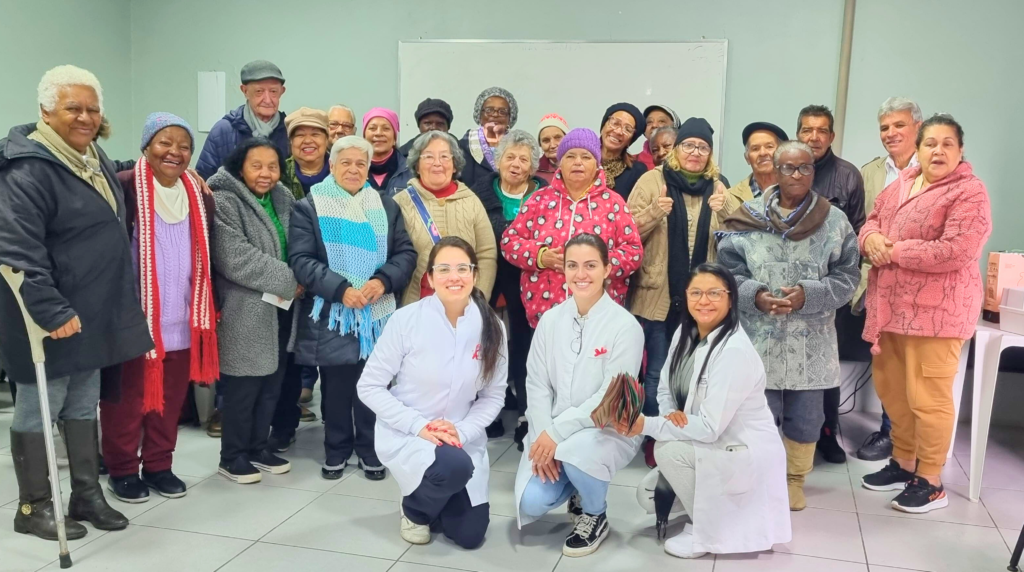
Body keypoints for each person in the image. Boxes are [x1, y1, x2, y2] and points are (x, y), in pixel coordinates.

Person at [0, 64, 150, 540]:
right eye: (72, 108)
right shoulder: (26, 168)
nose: (84, 117)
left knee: (84, 400)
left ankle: (85, 494)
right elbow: (16, 249)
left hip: (93, 307)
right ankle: (33, 507)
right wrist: (51, 310)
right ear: (46, 111)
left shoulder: (88, 155)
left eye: (91, 108)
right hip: (49, 313)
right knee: (40, 405)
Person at [859, 114, 991, 514]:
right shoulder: (902, 182)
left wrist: (893, 250)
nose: (938, 150)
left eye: (948, 143)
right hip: (890, 309)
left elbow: (957, 250)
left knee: (928, 399)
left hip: (937, 315)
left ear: (960, 150)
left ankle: (931, 480)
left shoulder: (970, 192)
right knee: (893, 393)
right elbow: (871, 222)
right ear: (918, 148)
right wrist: (872, 240)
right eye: (930, 143)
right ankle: (904, 463)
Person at [717, 140, 859, 511]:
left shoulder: (834, 221)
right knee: (755, 413)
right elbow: (729, 272)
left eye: (805, 168)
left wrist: (807, 295)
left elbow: (848, 277)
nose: (797, 175)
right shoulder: (748, 217)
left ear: (813, 171)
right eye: (788, 168)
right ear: (775, 171)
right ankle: (757, 478)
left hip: (811, 339)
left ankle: (794, 481)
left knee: (807, 416)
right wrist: (756, 295)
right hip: (757, 336)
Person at [618, 263, 791, 559]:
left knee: (667, 451)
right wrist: (671, 414)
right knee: (647, 497)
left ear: (730, 299)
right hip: (711, 441)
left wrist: (645, 425)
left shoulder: (733, 351)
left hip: (739, 449)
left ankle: (711, 530)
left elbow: (711, 428)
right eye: (696, 292)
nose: (704, 301)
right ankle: (707, 506)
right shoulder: (687, 332)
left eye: (714, 293)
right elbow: (664, 385)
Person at [358, 237, 508, 548]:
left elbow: (493, 396)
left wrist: (463, 430)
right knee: (454, 466)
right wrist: (419, 427)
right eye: (444, 269)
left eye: (462, 268)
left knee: (470, 536)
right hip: (410, 431)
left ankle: (438, 495)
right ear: (429, 278)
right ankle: (415, 511)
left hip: (459, 434)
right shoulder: (406, 320)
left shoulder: (492, 325)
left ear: (475, 275)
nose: (454, 277)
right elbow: (369, 386)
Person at [100, 113, 218, 503]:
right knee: (126, 401)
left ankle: (159, 465)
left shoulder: (200, 196)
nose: (175, 152)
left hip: (183, 320)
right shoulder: (123, 188)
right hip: (135, 322)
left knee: (167, 402)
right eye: (165, 143)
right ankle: (120, 469)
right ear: (146, 145)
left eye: (184, 146)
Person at [290, 135, 416, 480]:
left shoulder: (386, 206)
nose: (353, 169)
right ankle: (337, 450)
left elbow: (406, 253)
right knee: (336, 387)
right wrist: (341, 289)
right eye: (345, 162)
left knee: (374, 385)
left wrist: (382, 281)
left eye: (361, 163)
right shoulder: (309, 206)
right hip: (334, 313)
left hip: (377, 313)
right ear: (331, 167)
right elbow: (300, 259)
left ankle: (371, 450)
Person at [514, 233, 645, 558]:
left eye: (590, 265)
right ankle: (577, 483)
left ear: (607, 268)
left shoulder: (625, 326)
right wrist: (543, 434)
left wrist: (557, 434)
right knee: (532, 501)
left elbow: (611, 398)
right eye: (572, 265)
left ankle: (595, 513)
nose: (581, 274)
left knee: (578, 452)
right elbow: (537, 384)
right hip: (555, 430)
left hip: (608, 428)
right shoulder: (551, 319)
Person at [627, 117, 738, 466]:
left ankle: (689, 431)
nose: (695, 152)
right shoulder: (652, 179)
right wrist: (652, 213)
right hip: (660, 293)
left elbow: (737, 244)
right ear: (676, 149)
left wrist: (726, 214)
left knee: (696, 371)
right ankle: (656, 433)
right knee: (659, 370)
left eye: (702, 147)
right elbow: (626, 233)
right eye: (688, 145)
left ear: (709, 154)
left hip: (702, 300)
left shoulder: (719, 186)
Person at [208, 137, 300, 484]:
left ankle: (259, 447)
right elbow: (236, 258)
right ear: (240, 167)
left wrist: (300, 277)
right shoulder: (225, 201)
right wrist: (293, 280)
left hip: (281, 307)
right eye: (256, 165)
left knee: (271, 383)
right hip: (245, 307)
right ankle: (232, 456)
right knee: (243, 385)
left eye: (273, 166)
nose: (266, 173)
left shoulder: (284, 198)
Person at [501, 128, 643, 328]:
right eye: (570, 156)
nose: (578, 162)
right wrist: (541, 256)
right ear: (560, 162)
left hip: (600, 319)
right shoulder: (539, 200)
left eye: (586, 156)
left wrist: (596, 266)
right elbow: (509, 242)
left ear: (596, 164)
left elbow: (633, 251)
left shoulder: (613, 203)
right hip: (546, 316)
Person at [850, 97, 924, 461]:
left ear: (918, 128)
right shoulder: (871, 172)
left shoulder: (935, 168)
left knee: (914, 366)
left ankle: (910, 441)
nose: (891, 133)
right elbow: (863, 222)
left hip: (918, 285)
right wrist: (872, 243)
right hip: (876, 281)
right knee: (886, 362)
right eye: (884, 127)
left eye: (899, 125)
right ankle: (890, 433)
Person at [795, 104, 866, 465]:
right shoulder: (787, 170)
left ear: (831, 136)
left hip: (828, 291)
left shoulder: (848, 176)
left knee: (826, 363)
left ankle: (827, 431)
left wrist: (842, 289)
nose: (814, 137)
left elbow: (856, 235)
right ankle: (790, 431)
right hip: (789, 287)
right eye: (807, 130)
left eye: (821, 130)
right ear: (798, 133)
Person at [469, 129, 546, 446]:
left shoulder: (543, 196)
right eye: (509, 157)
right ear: (498, 161)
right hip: (487, 276)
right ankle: (487, 410)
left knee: (526, 345)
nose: (515, 164)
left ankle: (528, 414)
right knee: (484, 340)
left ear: (532, 167)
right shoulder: (478, 193)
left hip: (527, 280)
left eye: (523, 159)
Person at [396, 131, 497, 307]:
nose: (437, 163)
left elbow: (486, 254)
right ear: (417, 165)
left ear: (455, 165)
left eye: (444, 157)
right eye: (428, 157)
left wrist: (477, 301)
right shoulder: (400, 203)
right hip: (415, 307)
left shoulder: (472, 201)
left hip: (464, 306)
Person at [196, 60, 289, 179]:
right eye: (259, 92)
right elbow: (203, 182)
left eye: (273, 92)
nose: (267, 99)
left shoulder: (290, 131)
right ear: (245, 91)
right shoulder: (223, 130)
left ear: (282, 92)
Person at [459, 87, 517, 188]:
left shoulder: (518, 146)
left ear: (510, 118)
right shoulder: (463, 146)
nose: (495, 114)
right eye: (489, 110)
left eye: (502, 112)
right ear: (479, 115)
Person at [728, 122, 788, 204]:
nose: (762, 153)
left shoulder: (797, 191)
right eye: (755, 149)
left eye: (769, 147)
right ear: (747, 158)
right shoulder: (730, 198)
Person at [599, 103, 648, 200]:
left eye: (627, 129)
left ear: (630, 140)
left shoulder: (637, 171)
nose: (618, 131)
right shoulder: (582, 159)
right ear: (603, 127)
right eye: (615, 123)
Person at [282, 107, 331, 199]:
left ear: (326, 140)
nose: (308, 141)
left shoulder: (341, 172)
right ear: (291, 141)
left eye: (315, 134)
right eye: (300, 135)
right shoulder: (280, 174)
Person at [362, 108, 413, 197]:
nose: (378, 133)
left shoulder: (411, 170)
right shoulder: (352, 169)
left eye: (386, 129)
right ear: (364, 136)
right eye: (372, 128)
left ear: (394, 138)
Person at [637, 105, 681, 170]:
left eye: (661, 121)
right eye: (649, 122)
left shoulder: (686, 161)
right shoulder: (632, 162)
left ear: (675, 126)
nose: (654, 125)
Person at [536, 113, 568, 184]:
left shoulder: (579, 167)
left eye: (557, 138)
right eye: (546, 140)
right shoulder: (533, 172)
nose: (552, 145)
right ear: (540, 144)